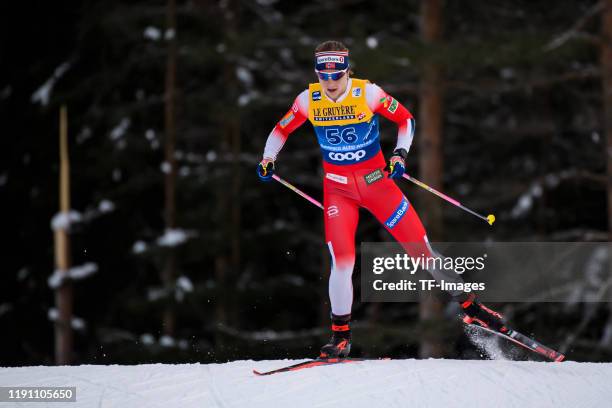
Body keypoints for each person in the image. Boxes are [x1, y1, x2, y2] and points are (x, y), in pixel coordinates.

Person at [257, 40, 505, 358]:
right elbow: (280, 130)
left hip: (378, 185)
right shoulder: (308, 100)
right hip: (338, 191)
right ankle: (341, 337)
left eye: (336, 75)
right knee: (343, 262)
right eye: (324, 76)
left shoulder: (367, 93)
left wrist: (400, 154)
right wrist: (268, 158)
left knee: (422, 251)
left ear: (347, 70)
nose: (330, 83)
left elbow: (406, 120)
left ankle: (474, 308)